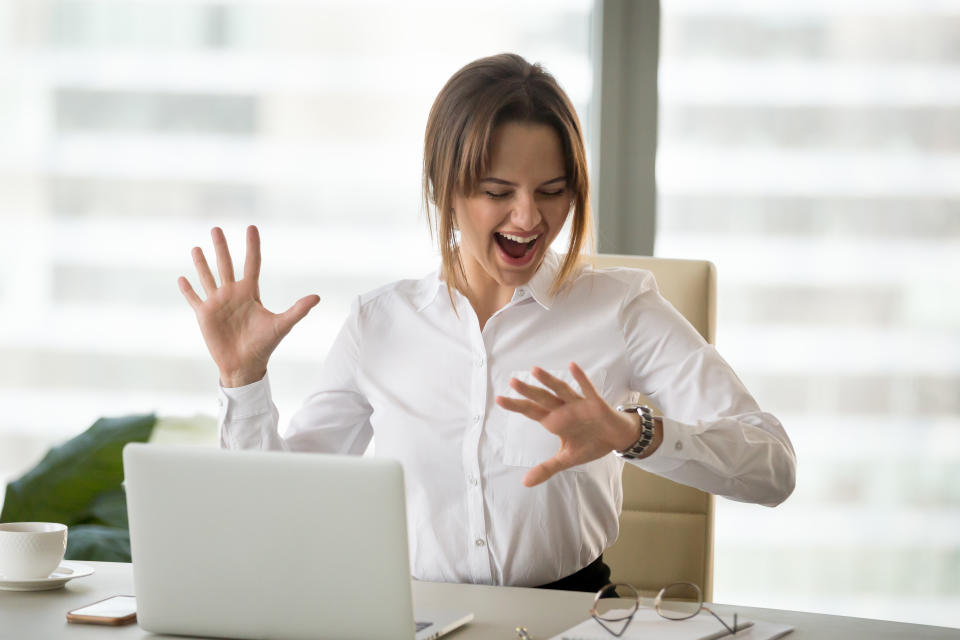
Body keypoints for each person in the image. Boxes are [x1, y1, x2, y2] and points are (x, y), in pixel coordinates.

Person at [178, 53, 796, 592]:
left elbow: (773, 467)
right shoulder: (379, 323)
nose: (528, 217)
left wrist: (628, 432)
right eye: (497, 191)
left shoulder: (622, 308)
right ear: (445, 189)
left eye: (552, 190)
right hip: (413, 616)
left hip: (570, 616)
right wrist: (243, 378)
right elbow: (278, 508)